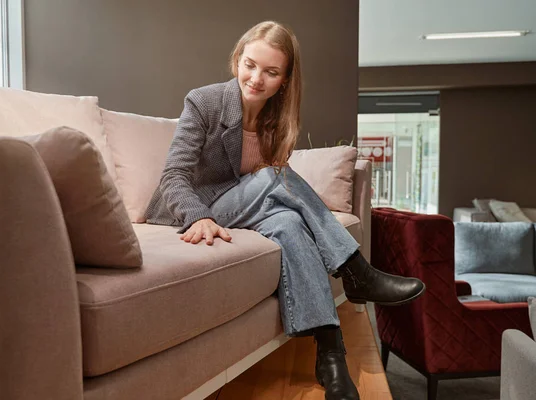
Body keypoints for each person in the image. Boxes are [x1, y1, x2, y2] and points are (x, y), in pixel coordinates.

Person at [145, 21, 425, 400]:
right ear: (237, 61)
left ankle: (331, 358)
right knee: (277, 176)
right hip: (198, 208)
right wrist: (199, 216)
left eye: (270, 72)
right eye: (249, 64)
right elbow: (173, 175)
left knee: (290, 222)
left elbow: (268, 187)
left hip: (244, 204)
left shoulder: (277, 120)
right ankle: (356, 271)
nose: (256, 78)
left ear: (285, 80)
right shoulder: (204, 101)